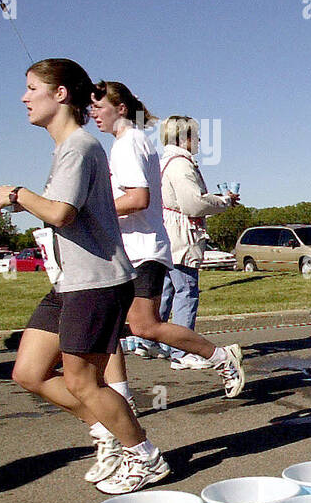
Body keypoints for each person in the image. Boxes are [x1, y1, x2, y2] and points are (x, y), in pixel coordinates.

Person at [0, 58, 170, 493]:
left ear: (60, 94)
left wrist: (18, 194)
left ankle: (144, 456)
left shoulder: (80, 146)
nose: (24, 97)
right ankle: (110, 430)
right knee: (28, 372)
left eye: (32, 88)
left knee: (81, 380)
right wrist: (24, 203)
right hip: (71, 282)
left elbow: (62, 213)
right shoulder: (69, 148)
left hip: (97, 281)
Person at [90, 82, 245, 402]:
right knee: (115, 327)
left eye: (98, 106)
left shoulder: (130, 143)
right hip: (133, 247)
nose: (93, 113)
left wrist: (89, 211)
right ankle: (121, 402)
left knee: (146, 325)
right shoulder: (135, 145)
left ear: (120, 109)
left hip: (143, 249)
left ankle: (219, 357)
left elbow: (138, 199)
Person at [157, 115, 240, 369]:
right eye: (196, 136)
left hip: (166, 234)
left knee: (167, 289)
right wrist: (223, 202)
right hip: (181, 235)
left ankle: (153, 342)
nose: (200, 141)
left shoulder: (164, 161)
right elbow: (192, 203)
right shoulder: (181, 164)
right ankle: (182, 351)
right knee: (187, 291)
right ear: (185, 138)